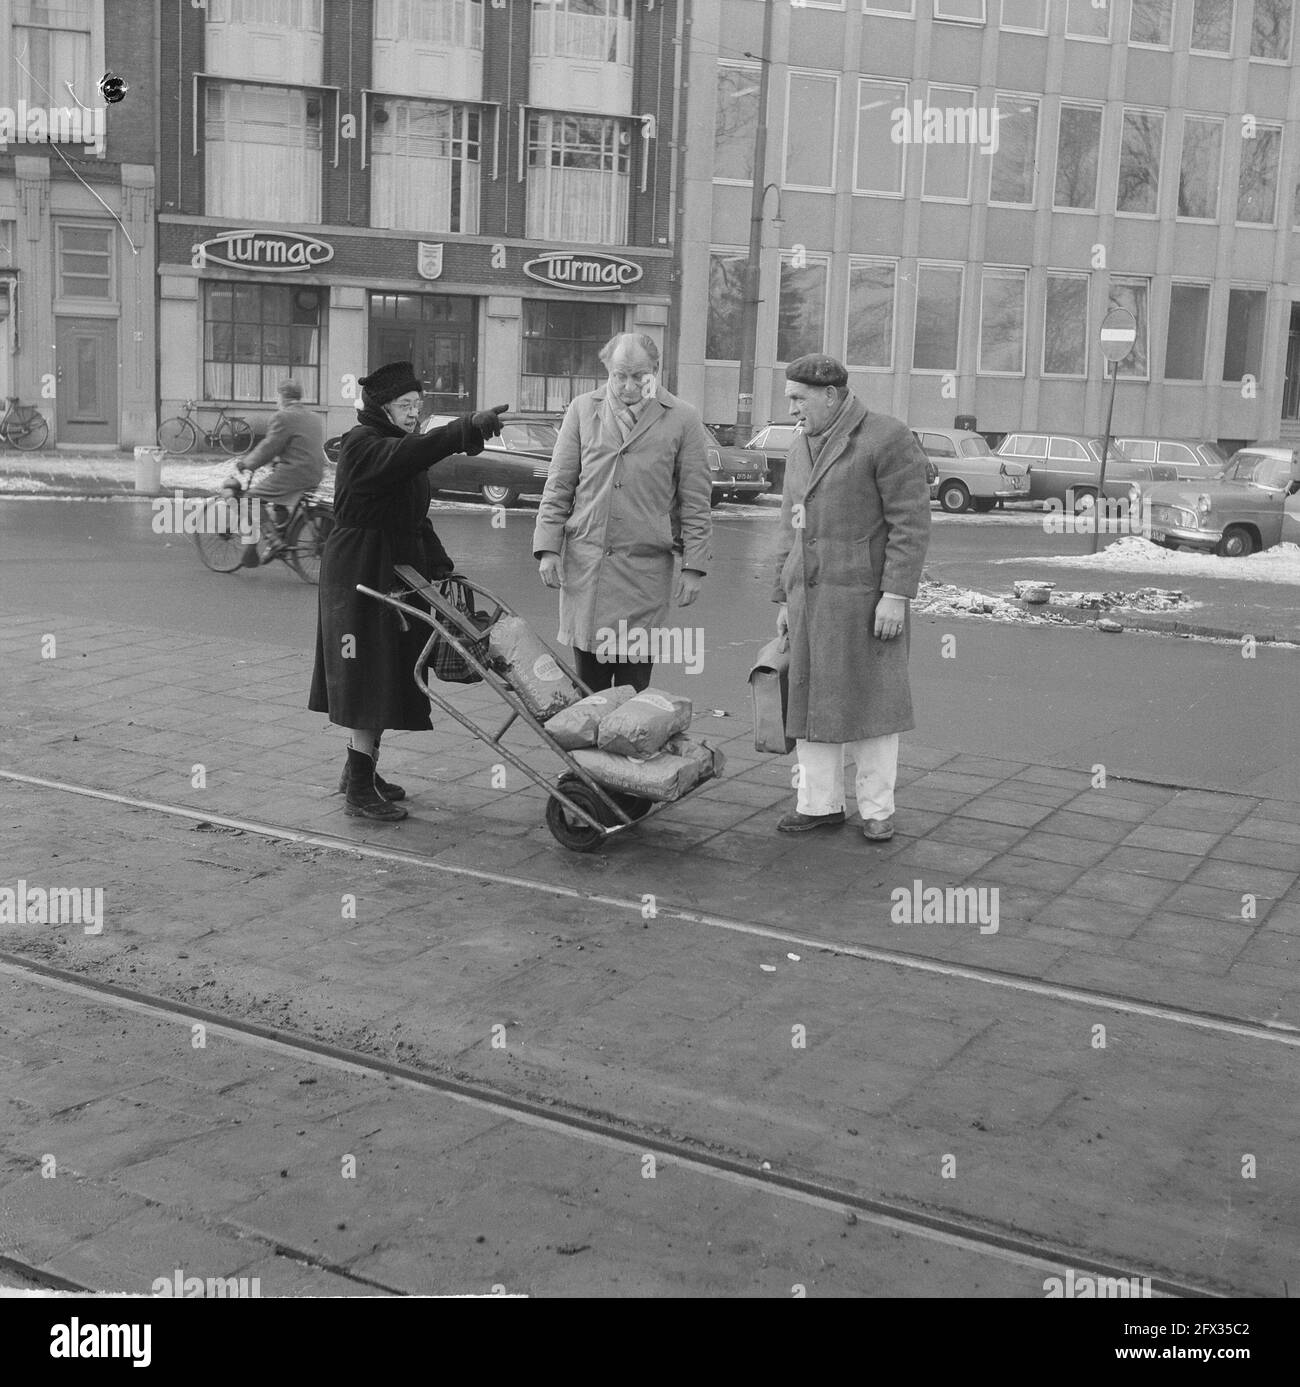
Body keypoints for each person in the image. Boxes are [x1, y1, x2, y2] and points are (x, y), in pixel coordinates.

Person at [308, 360, 507, 822]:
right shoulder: (363, 445)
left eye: (418, 405)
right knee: (367, 676)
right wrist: (465, 429)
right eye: (405, 405)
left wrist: (441, 566)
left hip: (393, 569)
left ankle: (361, 772)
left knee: (388, 673)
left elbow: (416, 516)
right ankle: (359, 787)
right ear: (383, 407)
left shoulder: (398, 445)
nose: (414, 413)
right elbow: (411, 456)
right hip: (361, 570)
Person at [772, 354, 931, 842]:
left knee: (872, 706)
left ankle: (877, 809)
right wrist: (783, 596)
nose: (793, 409)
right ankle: (818, 805)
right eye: (790, 399)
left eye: (799, 399)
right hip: (808, 600)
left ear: (831, 395)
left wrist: (895, 596)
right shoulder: (801, 446)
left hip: (866, 601)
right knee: (810, 702)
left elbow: (910, 523)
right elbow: (789, 526)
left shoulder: (887, 437)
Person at [532, 333, 712, 692]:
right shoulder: (583, 410)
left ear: (656, 371)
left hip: (643, 574)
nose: (629, 386)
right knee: (589, 691)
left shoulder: (683, 419)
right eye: (620, 375)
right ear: (607, 370)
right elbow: (559, 485)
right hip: (588, 569)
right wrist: (548, 549)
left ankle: (627, 748)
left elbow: (695, 499)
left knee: (632, 693)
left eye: (639, 376)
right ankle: (586, 749)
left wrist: (694, 567)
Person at [233, 379, 326, 566]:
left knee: (251, 498)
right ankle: (281, 534)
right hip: (315, 472)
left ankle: (274, 541)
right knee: (278, 502)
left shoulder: (283, 417)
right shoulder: (314, 417)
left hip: (295, 473)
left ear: (282, 396)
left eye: (277, 396)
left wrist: (247, 463)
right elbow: (299, 446)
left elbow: (269, 447)